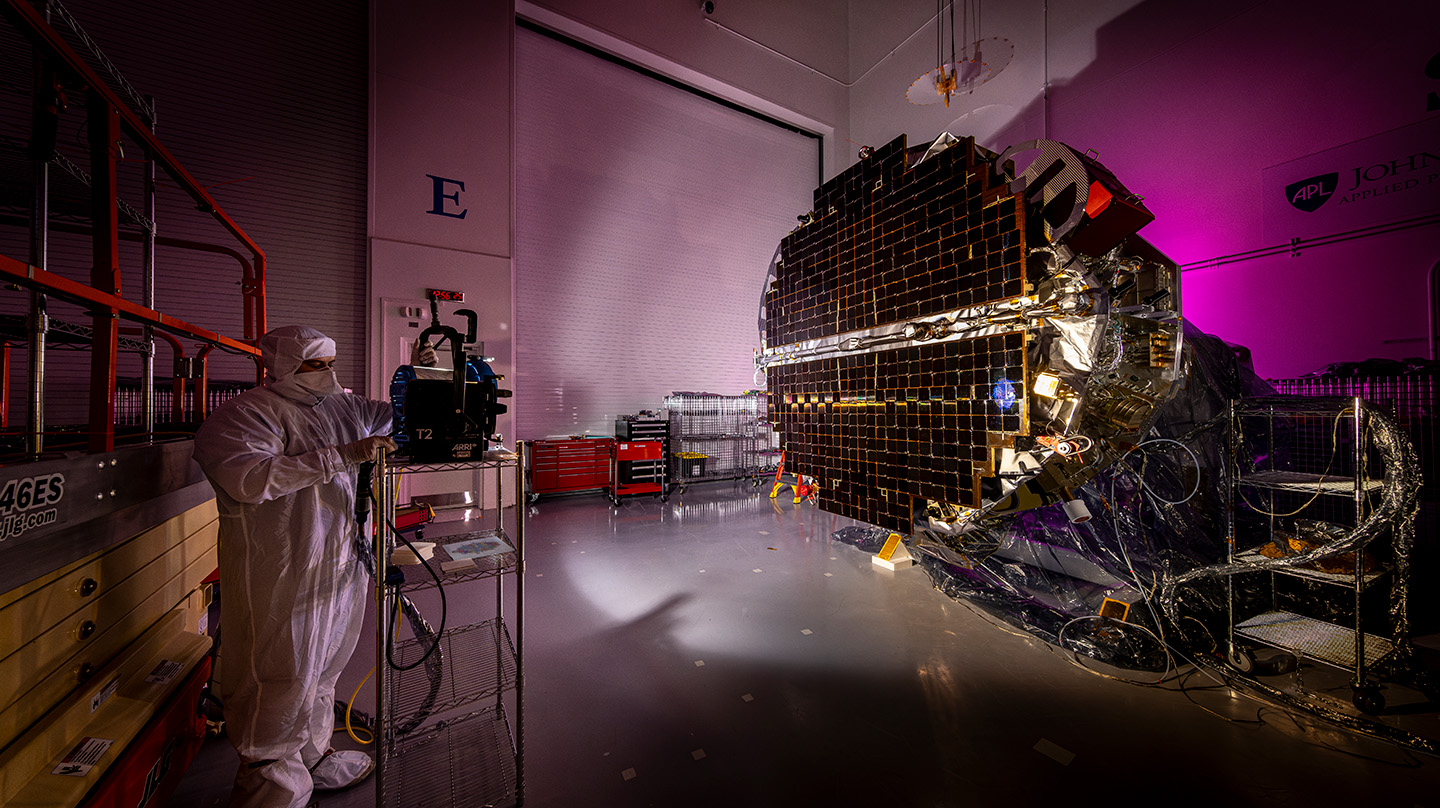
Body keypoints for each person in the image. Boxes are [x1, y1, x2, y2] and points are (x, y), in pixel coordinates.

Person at [193, 325, 396, 808]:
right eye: (314, 364)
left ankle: (314, 754)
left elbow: (396, 417)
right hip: (282, 569)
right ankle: (270, 788)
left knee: (324, 668)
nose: (327, 373)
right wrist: (341, 456)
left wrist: (432, 375)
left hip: (342, 561)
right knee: (279, 673)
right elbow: (248, 478)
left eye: (330, 363)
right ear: (282, 366)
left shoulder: (344, 408)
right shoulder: (245, 414)